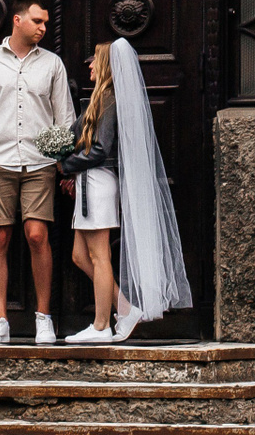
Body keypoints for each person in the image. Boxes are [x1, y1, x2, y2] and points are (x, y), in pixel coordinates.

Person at [0, 0, 74, 345]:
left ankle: (43, 318)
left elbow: (64, 118)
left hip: (39, 163)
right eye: (37, 21)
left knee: (37, 235)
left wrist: (65, 165)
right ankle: (0, 321)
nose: (43, 28)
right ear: (18, 20)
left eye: (45, 23)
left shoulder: (52, 64)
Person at [57, 37, 191, 342]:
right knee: (80, 255)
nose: (90, 65)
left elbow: (100, 149)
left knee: (99, 256)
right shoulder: (99, 99)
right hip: (88, 182)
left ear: (106, 65)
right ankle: (126, 309)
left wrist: (66, 165)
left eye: (95, 59)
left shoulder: (109, 100)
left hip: (98, 184)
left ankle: (101, 326)